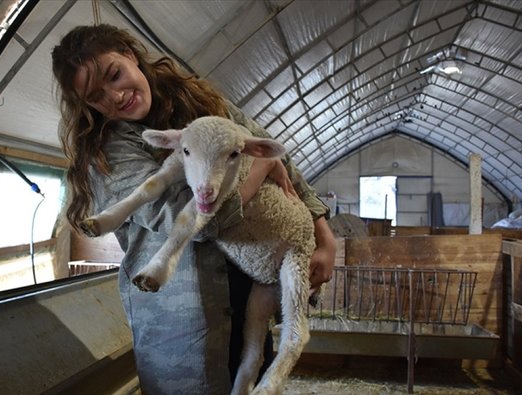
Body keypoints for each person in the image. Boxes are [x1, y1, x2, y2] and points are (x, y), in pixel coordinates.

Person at [51, 24, 336, 394]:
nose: (116, 96)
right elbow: (188, 219)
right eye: (96, 96)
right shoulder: (109, 153)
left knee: (249, 370)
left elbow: (280, 157)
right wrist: (261, 167)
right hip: (185, 323)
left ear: (131, 55)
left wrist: (325, 237)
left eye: (115, 74)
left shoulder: (206, 105)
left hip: (247, 287)